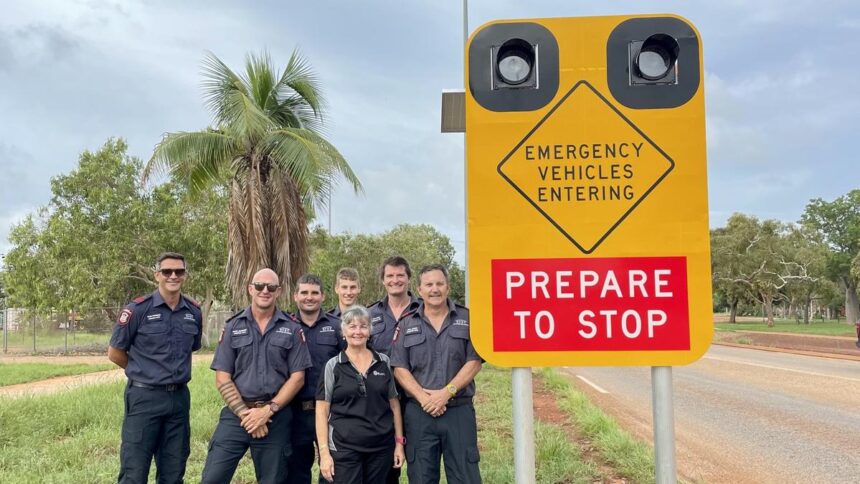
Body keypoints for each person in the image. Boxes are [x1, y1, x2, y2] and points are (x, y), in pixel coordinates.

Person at [201, 268, 311, 484]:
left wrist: (267, 411)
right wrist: (248, 415)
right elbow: (222, 377)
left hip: (275, 417)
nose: (265, 290)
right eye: (259, 286)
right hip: (236, 415)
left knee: (273, 480)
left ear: (278, 291)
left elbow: (298, 378)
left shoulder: (292, 328)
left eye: (271, 287)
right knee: (213, 477)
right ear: (250, 289)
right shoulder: (233, 326)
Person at [108, 252, 203, 484]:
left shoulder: (193, 312)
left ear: (185, 276)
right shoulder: (138, 310)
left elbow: (192, 347)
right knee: (134, 471)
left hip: (179, 399)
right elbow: (115, 353)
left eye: (179, 271)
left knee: (174, 471)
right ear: (156, 275)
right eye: (167, 271)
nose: (173, 276)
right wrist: (143, 370)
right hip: (144, 398)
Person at [391, 264, 483, 484]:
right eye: (429, 284)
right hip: (420, 414)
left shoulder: (468, 319)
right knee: (421, 478)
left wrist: (446, 393)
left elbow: (474, 361)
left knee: (465, 477)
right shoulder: (406, 323)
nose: (435, 289)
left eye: (440, 284)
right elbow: (399, 368)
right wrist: (425, 399)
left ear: (448, 287)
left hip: (458, 412)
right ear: (419, 289)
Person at [315, 305, 405, 483]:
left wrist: (399, 444)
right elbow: (321, 411)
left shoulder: (383, 362)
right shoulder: (333, 366)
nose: (358, 331)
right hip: (344, 448)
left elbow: (394, 406)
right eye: (352, 326)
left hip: (381, 447)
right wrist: (324, 453)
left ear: (370, 331)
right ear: (343, 332)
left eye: (363, 326)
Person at [286, 274, 345, 483]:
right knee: (296, 471)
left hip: (332, 411)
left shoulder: (337, 326)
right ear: (295, 296)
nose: (309, 297)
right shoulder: (285, 326)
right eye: (304, 292)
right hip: (295, 411)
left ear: (323, 296)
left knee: (332, 471)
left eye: (314, 293)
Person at [368, 256, 418, 483]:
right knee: (386, 465)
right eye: (390, 275)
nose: (395, 280)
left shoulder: (423, 309)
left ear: (409, 278)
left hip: (417, 398)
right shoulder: (370, 314)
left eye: (400, 275)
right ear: (383, 280)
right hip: (382, 401)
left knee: (420, 461)